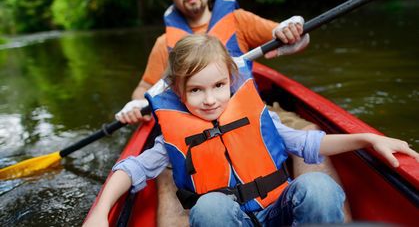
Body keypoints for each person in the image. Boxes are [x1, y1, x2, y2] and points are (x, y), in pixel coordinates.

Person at [84, 35, 419, 226]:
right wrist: (100, 212)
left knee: (317, 184)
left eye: (218, 86)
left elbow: (311, 143)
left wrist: (369, 139)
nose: (210, 99)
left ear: (231, 81)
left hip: (279, 212)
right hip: (230, 221)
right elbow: (130, 169)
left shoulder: (260, 118)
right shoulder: (170, 138)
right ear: (179, 91)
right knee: (209, 207)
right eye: (196, 90)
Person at [114, 0, 344, 224]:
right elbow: (144, 89)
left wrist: (292, 30)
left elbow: (293, 40)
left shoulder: (238, 20)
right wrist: (135, 103)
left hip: (252, 112)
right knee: (168, 170)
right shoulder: (163, 44)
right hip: (192, 120)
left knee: (307, 132)